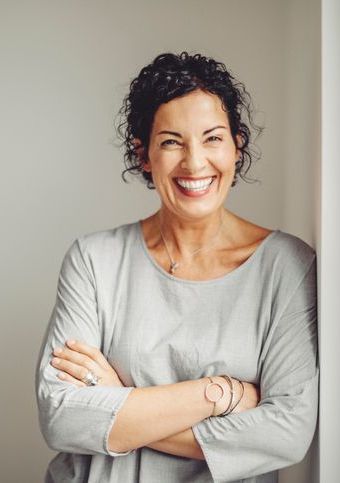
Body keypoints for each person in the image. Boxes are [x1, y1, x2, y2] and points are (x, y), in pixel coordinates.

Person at [35, 51, 319, 483]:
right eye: (171, 141)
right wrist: (221, 394)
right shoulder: (94, 260)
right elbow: (61, 416)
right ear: (143, 154)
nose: (194, 162)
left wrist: (119, 401)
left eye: (212, 138)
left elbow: (285, 435)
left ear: (237, 144)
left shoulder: (286, 266)